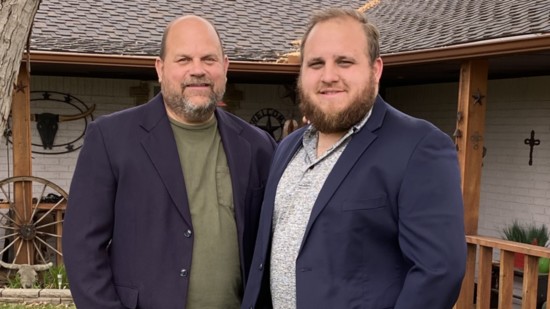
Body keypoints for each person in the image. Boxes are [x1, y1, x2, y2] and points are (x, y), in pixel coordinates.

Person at [242, 8, 466, 309]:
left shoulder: (419, 147)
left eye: (344, 62)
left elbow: (438, 274)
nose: (329, 76)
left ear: (376, 70)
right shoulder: (287, 147)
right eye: (316, 64)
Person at [62, 15, 277, 309]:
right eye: (184, 59)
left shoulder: (258, 146)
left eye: (209, 59)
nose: (198, 70)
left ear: (225, 68)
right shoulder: (111, 138)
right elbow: (82, 248)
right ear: (160, 69)